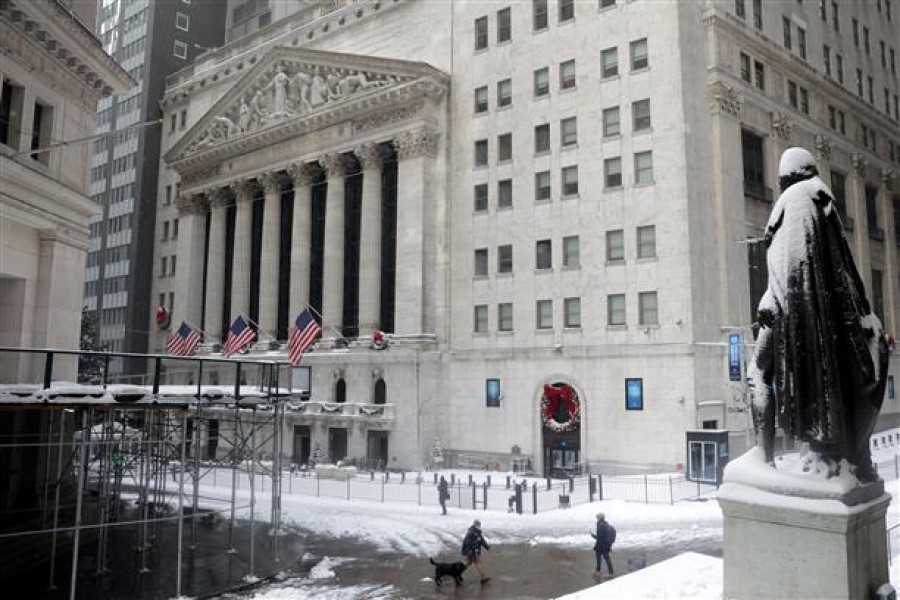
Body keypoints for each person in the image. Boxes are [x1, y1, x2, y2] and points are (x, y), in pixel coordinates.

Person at [747, 147, 889, 481]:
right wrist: (863, 312)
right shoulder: (822, 202)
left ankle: (764, 461)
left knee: (757, 374)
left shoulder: (793, 203)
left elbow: (787, 268)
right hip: (821, 316)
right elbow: (844, 267)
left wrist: (770, 302)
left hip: (789, 312)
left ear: (787, 176)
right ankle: (841, 453)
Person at [461, 519, 490, 583]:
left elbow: (482, 541)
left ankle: (458, 573)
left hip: (474, 551)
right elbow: (466, 541)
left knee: (468, 563)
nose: (479, 526)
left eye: (479, 525)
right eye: (478, 525)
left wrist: (487, 547)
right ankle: (483, 578)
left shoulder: (478, 532)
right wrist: (473, 548)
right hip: (472, 551)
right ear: (475, 525)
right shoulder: (471, 532)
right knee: (478, 563)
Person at [591, 512, 615, 578]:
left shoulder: (600, 525)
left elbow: (600, 537)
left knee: (601, 558)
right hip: (606, 545)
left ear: (599, 518)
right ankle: (604, 571)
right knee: (606, 558)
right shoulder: (606, 524)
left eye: (597, 517)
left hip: (601, 545)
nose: (597, 519)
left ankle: (606, 572)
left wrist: (593, 536)